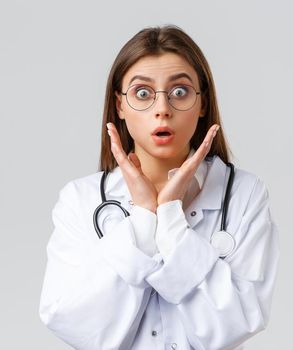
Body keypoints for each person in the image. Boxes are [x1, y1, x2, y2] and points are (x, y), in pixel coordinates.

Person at [38, 25, 280, 350]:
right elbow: (74, 324)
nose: (162, 109)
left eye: (180, 91)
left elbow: (235, 325)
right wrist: (142, 219)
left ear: (203, 103)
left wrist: (171, 221)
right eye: (142, 93)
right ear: (120, 106)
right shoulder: (80, 200)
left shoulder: (243, 194)